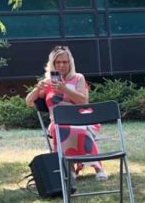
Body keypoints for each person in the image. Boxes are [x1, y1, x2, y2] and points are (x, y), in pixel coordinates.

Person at [25, 45, 107, 179]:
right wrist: (36, 89)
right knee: (61, 128)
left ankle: (98, 168)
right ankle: (69, 169)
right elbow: (28, 102)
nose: (61, 65)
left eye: (65, 62)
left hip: (80, 118)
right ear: (53, 64)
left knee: (81, 129)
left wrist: (65, 89)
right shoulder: (47, 82)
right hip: (58, 121)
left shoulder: (78, 78)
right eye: (58, 62)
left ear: (70, 63)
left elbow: (83, 101)